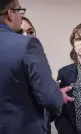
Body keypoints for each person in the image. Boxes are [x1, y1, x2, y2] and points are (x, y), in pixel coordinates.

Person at [0, 0, 74, 134]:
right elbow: (50, 99)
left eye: (30, 31)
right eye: (19, 11)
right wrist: (57, 95)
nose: (21, 16)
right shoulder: (27, 46)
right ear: (10, 14)